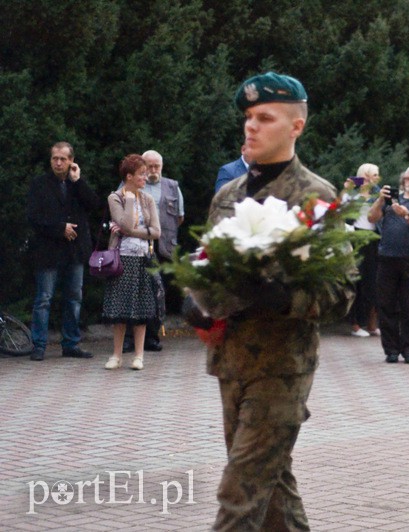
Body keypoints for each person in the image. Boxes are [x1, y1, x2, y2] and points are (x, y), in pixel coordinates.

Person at [196, 72, 353, 530]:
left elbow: (341, 293)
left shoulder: (316, 198)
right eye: (248, 117)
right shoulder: (227, 197)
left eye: (265, 117)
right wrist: (196, 299)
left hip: (282, 368)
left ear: (296, 126)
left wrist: (282, 297)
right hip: (230, 362)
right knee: (273, 489)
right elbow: (204, 265)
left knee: (239, 493)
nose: (251, 126)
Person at [27, 141, 101, 361]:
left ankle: (71, 343)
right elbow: (34, 217)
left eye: (63, 159)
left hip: (74, 252)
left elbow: (94, 205)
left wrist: (78, 182)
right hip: (48, 250)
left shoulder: (75, 184)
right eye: (54, 158)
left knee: (74, 298)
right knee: (44, 298)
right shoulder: (39, 184)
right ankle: (38, 345)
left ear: (71, 161)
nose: (58, 163)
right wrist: (60, 228)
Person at [367, 163, 409, 363]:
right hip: (387, 258)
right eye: (407, 178)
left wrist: (406, 215)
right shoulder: (390, 201)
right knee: (386, 305)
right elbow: (371, 217)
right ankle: (391, 349)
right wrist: (381, 199)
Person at [102, 154, 161, 371]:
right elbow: (124, 223)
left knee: (143, 308)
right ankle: (116, 355)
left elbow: (156, 231)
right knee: (119, 309)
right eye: (141, 174)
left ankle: (139, 356)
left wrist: (134, 232)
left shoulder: (148, 199)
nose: (145, 178)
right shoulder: (115, 198)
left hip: (144, 258)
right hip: (121, 258)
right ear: (129, 176)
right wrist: (129, 201)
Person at [122, 150, 184, 353]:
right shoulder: (129, 184)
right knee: (134, 291)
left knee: (158, 293)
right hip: (136, 245)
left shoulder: (172, 186)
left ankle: (152, 336)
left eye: (157, 166)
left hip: (162, 247)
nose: (153, 170)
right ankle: (130, 338)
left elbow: (179, 217)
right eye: (149, 166)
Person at [342, 163, 381, 337]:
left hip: (374, 237)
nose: (371, 179)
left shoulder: (379, 194)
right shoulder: (352, 194)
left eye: (375, 175)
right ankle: (355, 324)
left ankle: (371, 323)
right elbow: (343, 215)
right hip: (356, 236)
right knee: (357, 280)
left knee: (372, 282)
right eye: (367, 176)